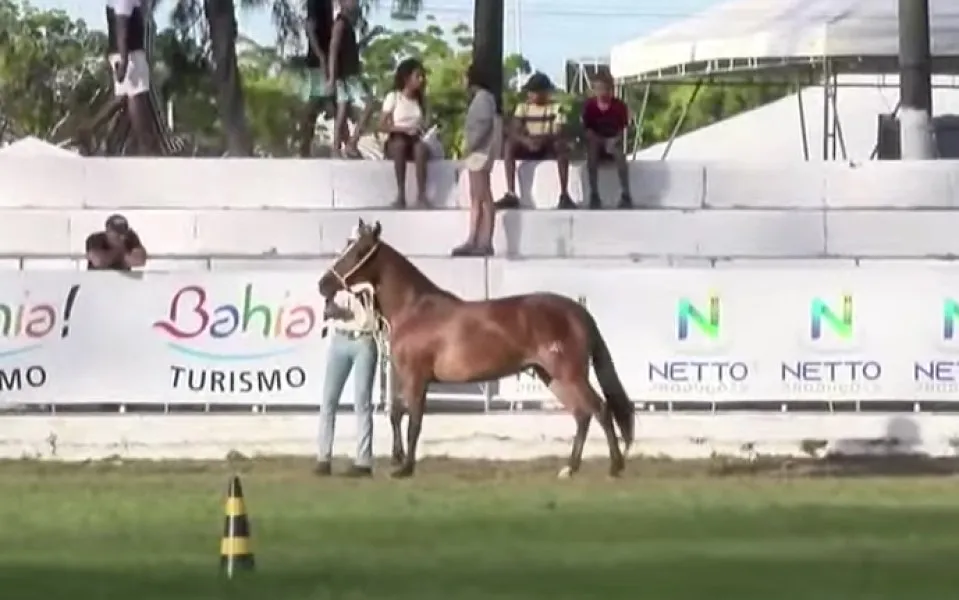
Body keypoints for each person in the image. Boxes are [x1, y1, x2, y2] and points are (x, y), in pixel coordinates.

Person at [315, 235, 380, 477]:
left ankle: (363, 460)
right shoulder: (338, 276)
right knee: (328, 401)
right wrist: (332, 309)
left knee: (362, 402)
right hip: (341, 338)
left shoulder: (368, 282)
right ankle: (323, 457)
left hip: (362, 339)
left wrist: (342, 313)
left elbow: (368, 317)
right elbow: (326, 298)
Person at [83, 0, 158, 155]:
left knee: (121, 98)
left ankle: (88, 129)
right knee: (137, 99)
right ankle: (146, 147)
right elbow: (121, 26)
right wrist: (124, 61)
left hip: (125, 55)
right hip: (131, 56)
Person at [495, 72, 574, 210]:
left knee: (561, 146)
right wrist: (526, 141)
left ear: (544, 92)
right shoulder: (523, 108)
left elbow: (559, 131)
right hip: (528, 145)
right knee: (509, 145)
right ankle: (511, 193)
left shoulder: (555, 108)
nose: (530, 95)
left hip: (547, 145)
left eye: (534, 92)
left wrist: (540, 140)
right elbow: (515, 129)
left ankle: (564, 194)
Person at [452, 64, 501, 257]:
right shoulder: (482, 99)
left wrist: (469, 147)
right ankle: (474, 238)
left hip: (479, 153)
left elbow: (483, 127)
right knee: (476, 197)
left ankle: (485, 240)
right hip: (476, 154)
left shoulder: (483, 99)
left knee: (483, 196)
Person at [379, 58, 431, 208]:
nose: (421, 80)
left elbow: (426, 122)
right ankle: (401, 195)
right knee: (399, 145)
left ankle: (422, 195)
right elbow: (381, 125)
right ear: (406, 78)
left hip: (415, 138)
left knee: (421, 149)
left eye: (422, 76)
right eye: (417, 76)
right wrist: (404, 129)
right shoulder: (394, 97)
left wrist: (423, 127)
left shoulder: (421, 100)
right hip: (397, 137)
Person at [328, 0, 374, 158]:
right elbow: (333, 51)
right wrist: (332, 77)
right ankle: (351, 144)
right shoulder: (340, 24)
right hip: (348, 75)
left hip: (347, 74)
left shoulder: (347, 25)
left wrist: (370, 36)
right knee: (369, 104)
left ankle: (336, 148)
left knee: (342, 110)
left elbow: (354, 49)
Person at [582, 72, 633, 209]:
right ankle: (594, 194)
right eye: (598, 89)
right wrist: (599, 141)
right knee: (592, 154)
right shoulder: (590, 106)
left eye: (605, 89)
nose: (602, 93)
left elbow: (623, 128)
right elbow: (587, 129)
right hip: (596, 140)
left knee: (619, 156)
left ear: (611, 89)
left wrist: (614, 140)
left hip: (613, 139)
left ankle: (626, 194)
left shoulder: (619, 106)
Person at [296, 0, 336, 157]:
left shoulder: (328, 4)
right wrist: (320, 56)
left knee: (321, 101)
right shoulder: (316, 3)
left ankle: (305, 144)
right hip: (318, 60)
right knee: (316, 101)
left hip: (325, 59)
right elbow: (310, 29)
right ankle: (304, 144)